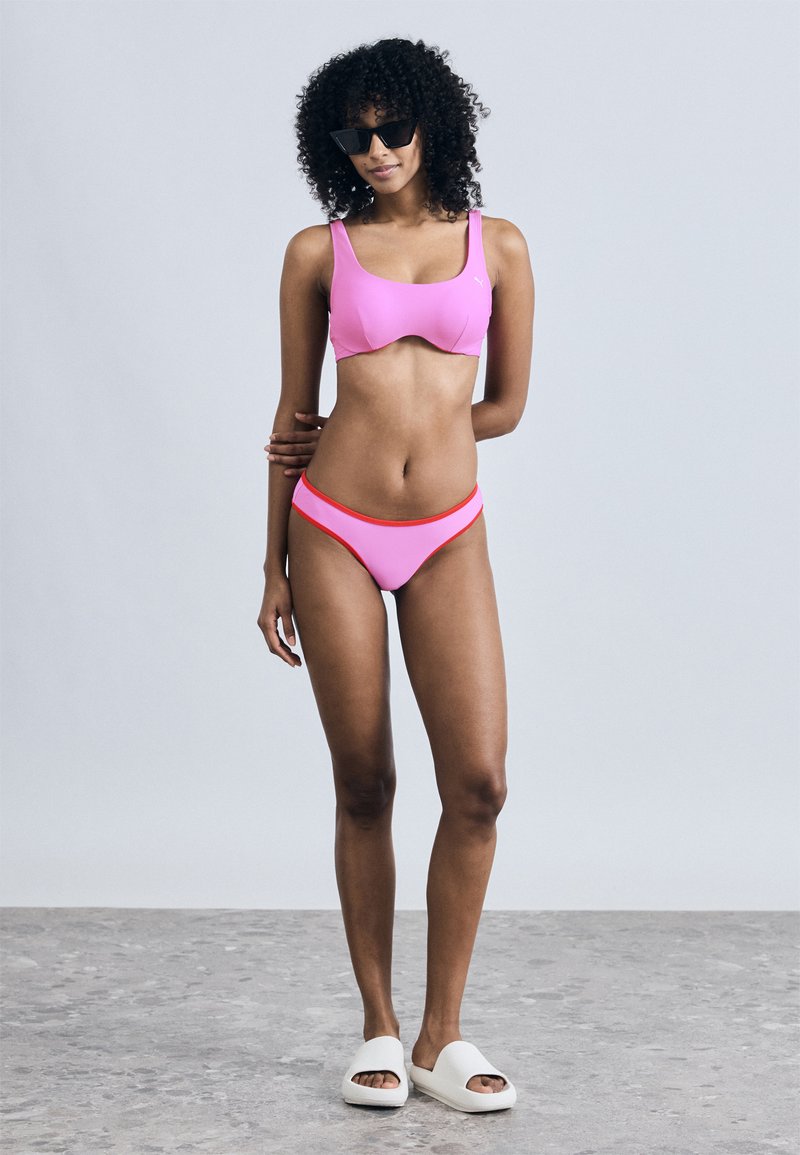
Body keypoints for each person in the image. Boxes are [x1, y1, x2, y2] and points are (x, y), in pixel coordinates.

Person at [257, 37, 535, 1113]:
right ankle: (376, 1023)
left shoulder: (496, 245)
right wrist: (271, 564)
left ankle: (441, 1037)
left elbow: (504, 404)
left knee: (480, 783)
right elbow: (293, 422)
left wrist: (427, 432)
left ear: (433, 125)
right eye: (353, 135)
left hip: (446, 532)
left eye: (392, 128)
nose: (374, 150)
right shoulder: (315, 254)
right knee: (364, 780)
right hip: (331, 526)